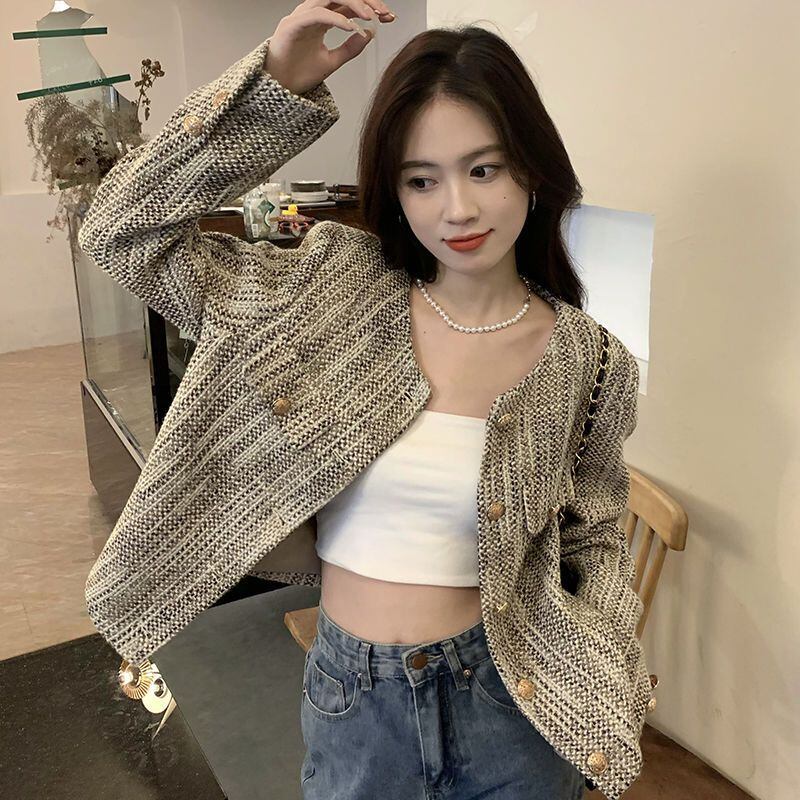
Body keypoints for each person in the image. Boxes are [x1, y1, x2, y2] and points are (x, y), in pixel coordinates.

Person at [78, 2, 653, 798]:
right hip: (356, 702)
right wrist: (274, 86)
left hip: (512, 708)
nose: (457, 209)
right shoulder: (327, 290)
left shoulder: (590, 360)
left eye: (484, 169)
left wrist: (606, 661)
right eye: (422, 179)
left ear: (532, 167)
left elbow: (595, 538)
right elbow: (121, 231)